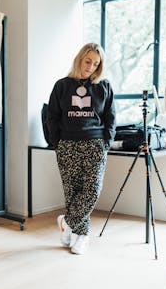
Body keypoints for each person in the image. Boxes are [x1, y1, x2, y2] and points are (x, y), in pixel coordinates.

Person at [47, 43, 116, 255]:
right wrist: (56, 143)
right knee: (73, 192)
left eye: (96, 64)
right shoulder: (62, 86)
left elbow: (111, 117)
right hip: (67, 144)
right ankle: (81, 236)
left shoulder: (103, 86)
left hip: (95, 145)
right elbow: (52, 116)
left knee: (92, 189)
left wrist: (107, 142)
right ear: (79, 59)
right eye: (88, 61)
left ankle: (66, 222)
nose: (91, 67)